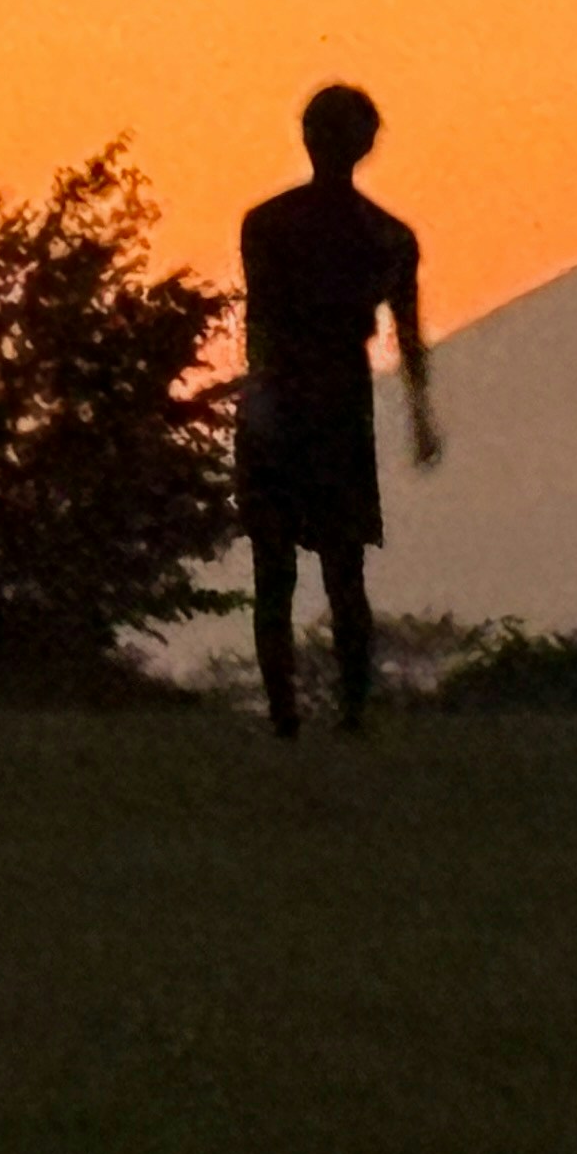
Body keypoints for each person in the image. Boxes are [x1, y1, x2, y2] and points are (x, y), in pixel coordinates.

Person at [238, 83, 439, 735]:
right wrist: (420, 417)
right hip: (337, 401)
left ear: (306, 136)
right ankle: (345, 717)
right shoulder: (386, 236)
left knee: (279, 571)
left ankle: (287, 718)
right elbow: (407, 338)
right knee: (340, 568)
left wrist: (261, 398)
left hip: (289, 397)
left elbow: (261, 325)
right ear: (367, 144)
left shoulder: (268, 224)